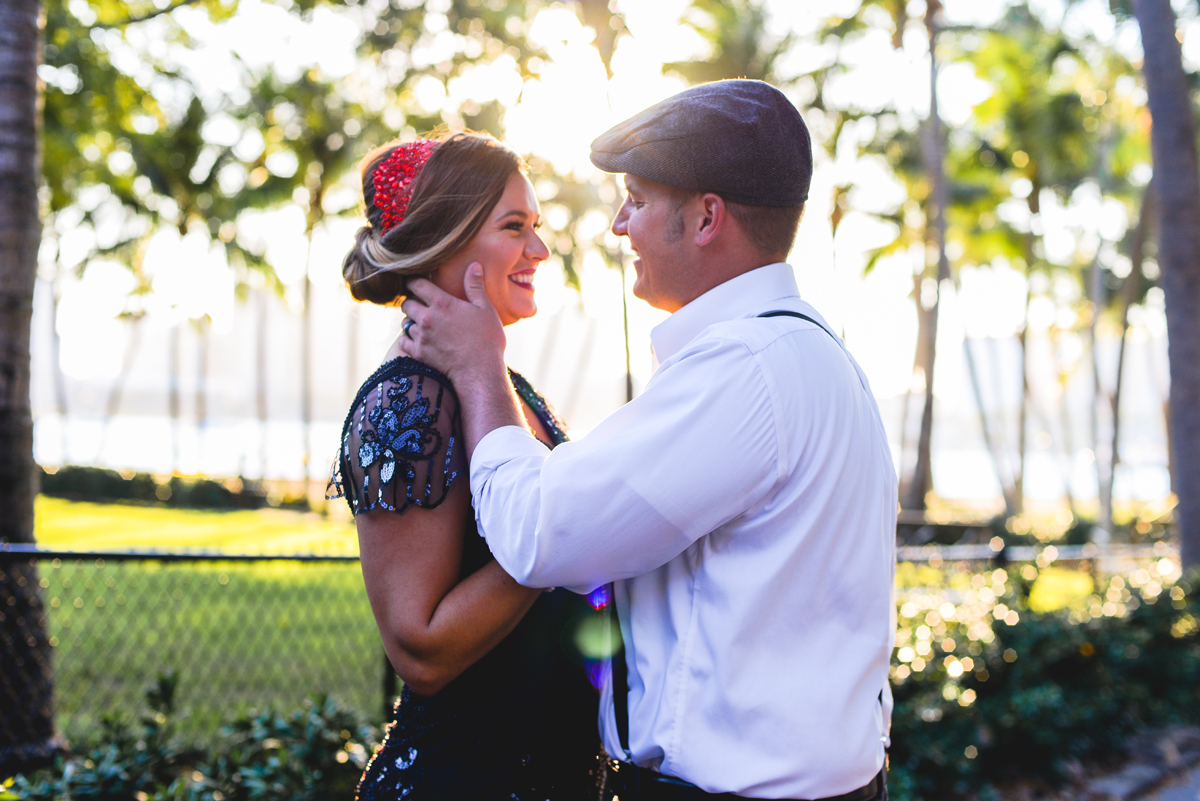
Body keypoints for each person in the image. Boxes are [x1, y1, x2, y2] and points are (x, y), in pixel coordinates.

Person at [398, 80, 898, 801]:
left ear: (704, 218)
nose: (618, 225)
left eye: (635, 198)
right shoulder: (812, 355)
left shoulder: (744, 372)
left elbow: (539, 532)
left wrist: (479, 372)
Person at [327, 131, 602, 801]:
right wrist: (568, 532)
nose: (540, 250)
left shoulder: (498, 382)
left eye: (537, 228)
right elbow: (420, 647)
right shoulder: (410, 398)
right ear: (447, 241)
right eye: (515, 227)